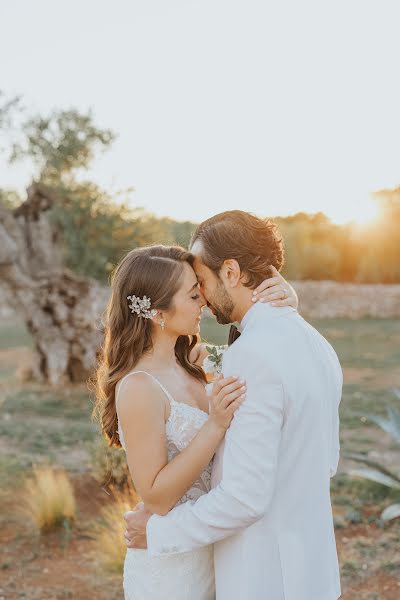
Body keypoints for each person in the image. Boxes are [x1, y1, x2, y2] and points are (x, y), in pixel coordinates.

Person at [124, 211, 342, 600]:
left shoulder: (251, 355)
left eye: (201, 284)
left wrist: (158, 532)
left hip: (264, 574)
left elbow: (244, 497)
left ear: (230, 272)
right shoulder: (315, 343)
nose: (203, 301)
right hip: (310, 569)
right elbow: (326, 459)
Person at [94, 241, 297, 600]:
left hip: (214, 545)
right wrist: (215, 424)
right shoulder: (138, 387)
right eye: (192, 295)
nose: (203, 300)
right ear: (157, 311)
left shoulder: (191, 363)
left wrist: (287, 304)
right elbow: (155, 498)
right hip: (172, 570)